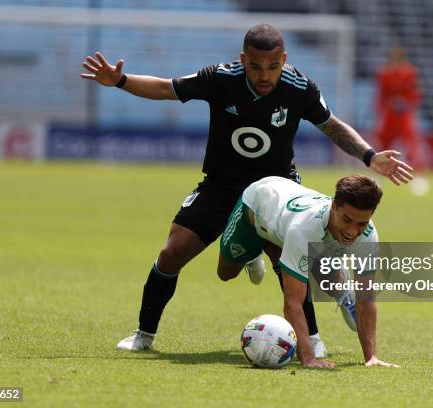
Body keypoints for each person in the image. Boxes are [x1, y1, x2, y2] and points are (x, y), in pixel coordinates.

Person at [80, 24, 413, 355]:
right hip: (222, 185)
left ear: (284, 59)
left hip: (277, 191)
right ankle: (144, 334)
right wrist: (120, 81)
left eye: (272, 67)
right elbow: (168, 88)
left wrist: (368, 155)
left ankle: (313, 336)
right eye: (255, 67)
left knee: (290, 262)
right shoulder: (221, 78)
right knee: (172, 253)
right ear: (243, 60)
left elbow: (331, 125)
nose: (264, 75)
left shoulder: (300, 87)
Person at [217, 175, 399, 369]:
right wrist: (309, 358)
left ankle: (339, 284)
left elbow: (366, 299)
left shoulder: (369, 236)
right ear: (334, 206)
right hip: (256, 210)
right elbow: (292, 302)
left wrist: (371, 357)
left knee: (316, 262)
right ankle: (252, 255)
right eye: (347, 219)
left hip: (294, 228)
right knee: (226, 272)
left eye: (361, 224)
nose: (353, 231)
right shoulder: (303, 229)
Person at [375, 46, 428, 195]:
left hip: (403, 116)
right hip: (390, 116)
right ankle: (379, 177)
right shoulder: (384, 74)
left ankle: (419, 176)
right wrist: (381, 113)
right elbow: (381, 96)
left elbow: (414, 93)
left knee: (411, 145)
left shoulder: (409, 73)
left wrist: (408, 106)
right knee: (384, 147)